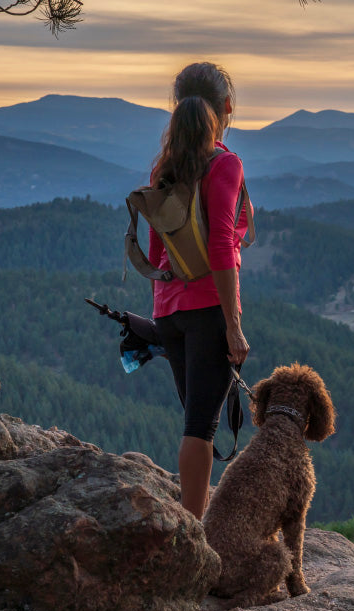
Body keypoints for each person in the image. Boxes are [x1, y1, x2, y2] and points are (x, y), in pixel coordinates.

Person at [147, 62, 250, 519]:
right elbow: (222, 245)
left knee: (196, 420)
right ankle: (193, 538)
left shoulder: (165, 166)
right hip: (208, 311)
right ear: (227, 107)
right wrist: (234, 326)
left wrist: (164, 312)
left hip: (170, 313)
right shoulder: (224, 164)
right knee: (201, 427)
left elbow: (156, 251)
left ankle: (192, 526)